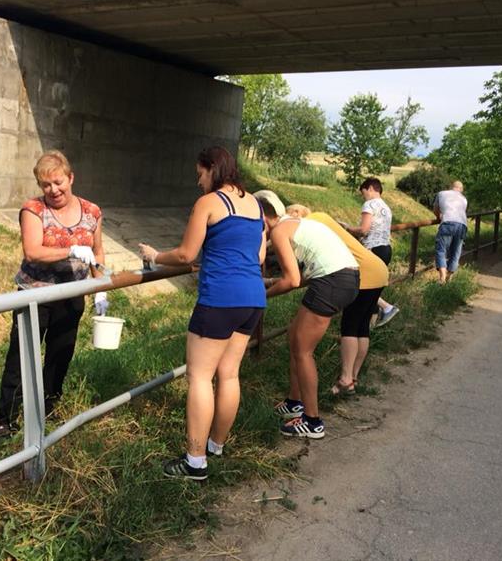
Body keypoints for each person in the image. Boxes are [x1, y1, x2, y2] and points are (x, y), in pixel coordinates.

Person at [138, 146, 266, 481]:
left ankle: (195, 462)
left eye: (199, 174)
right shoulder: (255, 204)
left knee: (199, 377)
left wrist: (154, 257)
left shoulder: (208, 203)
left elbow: (185, 254)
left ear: (212, 169)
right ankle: (216, 446)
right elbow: (259, 254)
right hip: (253, 298)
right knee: (229, 374)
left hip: (220, 299)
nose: (199, 182)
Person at [0, 150, 108, 437]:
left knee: (60, 355)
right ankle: (5, 420)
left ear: (71, 178)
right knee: (21, 357)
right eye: (46, 185)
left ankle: (48, 408)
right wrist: (69, 250)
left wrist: (100, 288)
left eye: (58, 182)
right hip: (34, 295)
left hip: (72, 296)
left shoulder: (92, 212)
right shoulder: (33, 210)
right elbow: (32, 252)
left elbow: (97, 251)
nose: (53, 190)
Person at [255, 191, 359, 440]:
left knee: (303, 350)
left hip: (332, 281)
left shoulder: (279, 232)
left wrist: (261, 295)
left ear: (263, 218)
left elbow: (291, 280)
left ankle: (312, 421)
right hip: (343, 278)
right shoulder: (296, 223)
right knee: (294, 336)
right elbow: (297, 275)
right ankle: (294, 402)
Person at [287, 205, 389, 396]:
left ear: (296, 214)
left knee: (349, 326)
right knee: (362, 327)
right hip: (378, 269)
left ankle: (345, 379)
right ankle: (353, 377)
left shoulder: (309, 223)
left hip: (362, 273)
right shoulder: (324, 218)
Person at [342, 177, 399, 328]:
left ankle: (386, 307)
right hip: (385, 248)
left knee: (363, 286)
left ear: (370, 189)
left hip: (372, 250)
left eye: (364, 193)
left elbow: (364, 230)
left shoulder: (369, 204)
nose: (363, 196)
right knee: (372, 287)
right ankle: (370, 325)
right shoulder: (386, 207)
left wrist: (347, 227)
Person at [433, 180, 468, 284]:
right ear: (461, 189)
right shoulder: (464, 199)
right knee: (456, 252)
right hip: (462, 225)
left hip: (447, 222)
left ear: (451, 187)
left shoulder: (442, 193)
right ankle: (449, 278)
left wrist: (438, 217)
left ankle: (442, 277)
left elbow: (436, 209)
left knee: (441, 249)